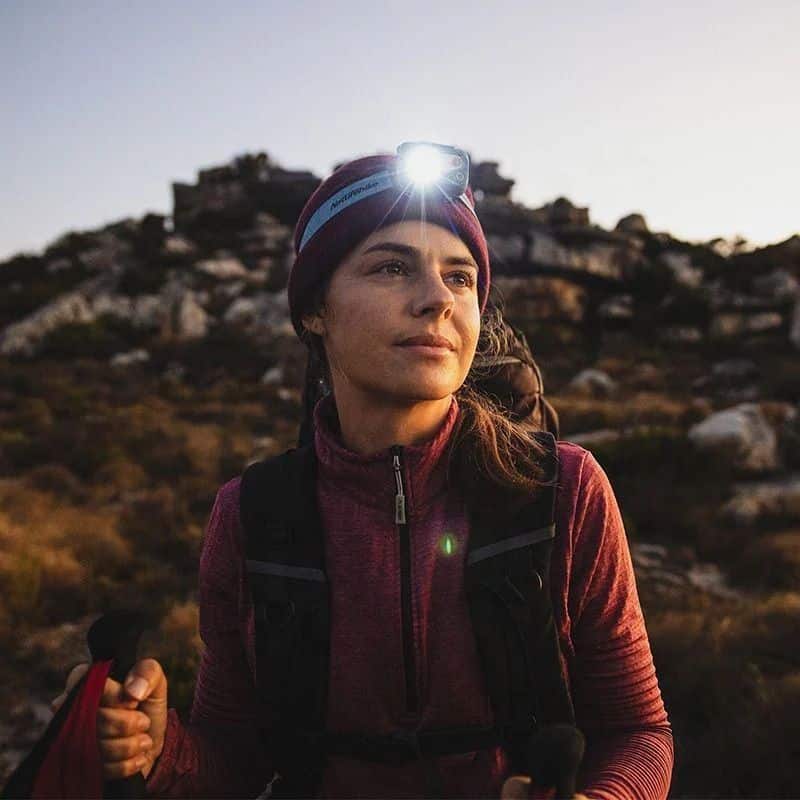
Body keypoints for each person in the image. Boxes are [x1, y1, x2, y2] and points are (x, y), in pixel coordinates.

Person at [52, 144, 674, 799]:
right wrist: (152, 748)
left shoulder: (562, 491)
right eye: (391, 268)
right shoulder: (253, 514)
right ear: (315, 311)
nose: (437, 299)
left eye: (460, 277)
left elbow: (639, 733)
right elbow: (231, 761)